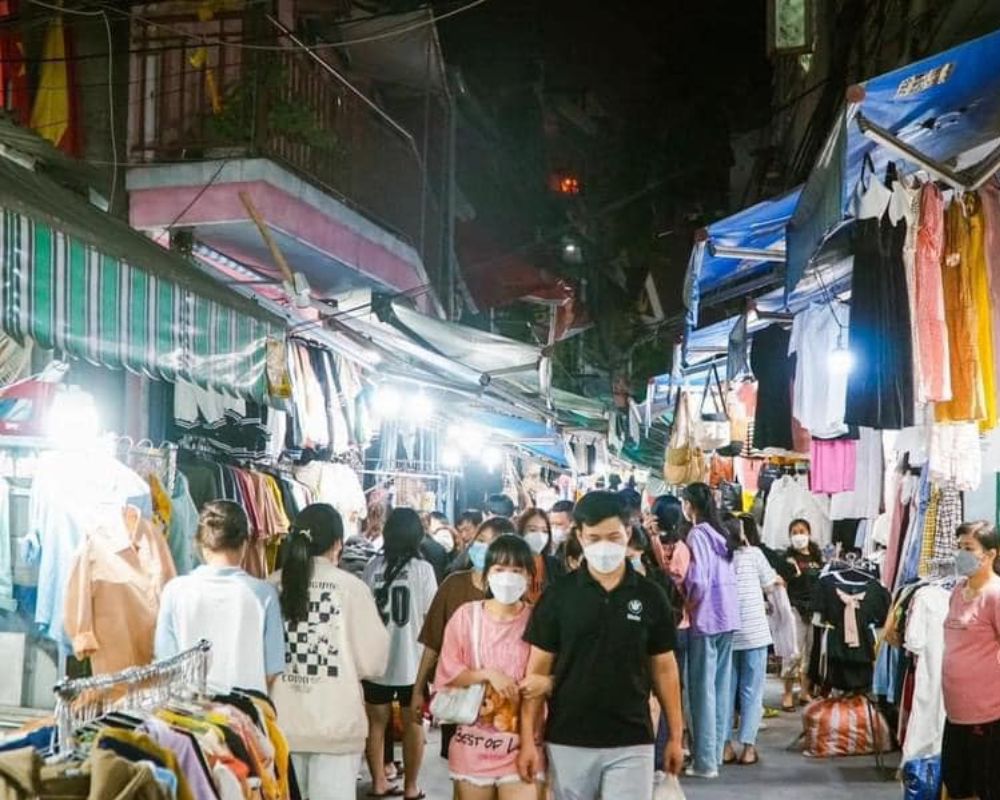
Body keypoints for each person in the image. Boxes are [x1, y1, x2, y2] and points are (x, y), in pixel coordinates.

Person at [518, 491, 684, 799]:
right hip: (568, 739)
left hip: (633, 739)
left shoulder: (651, 596)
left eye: (613, 536)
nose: (604, 546)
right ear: (579, 537)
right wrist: (528, 740)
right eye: (594, 538)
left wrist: (675, 734)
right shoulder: (558, 598)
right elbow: (536, 676)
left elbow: (664, 669)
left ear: (628, 534)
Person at [271, 504, 389, 800]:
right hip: (336, 724)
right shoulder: (351, 588)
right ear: (338, 543)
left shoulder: (270, 586)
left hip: (281, 723)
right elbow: (374, 662)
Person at [435, 535, 546, 798]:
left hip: (524, 745)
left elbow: (548, 676)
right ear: (486, 575)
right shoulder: (466, 616)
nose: (507, 577)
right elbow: (447, 676)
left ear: (529, 577)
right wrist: (487, 675)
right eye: (499, 569)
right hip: (472, 747)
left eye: (516, 570)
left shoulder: (538, 621)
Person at [410, 517, 514, 764]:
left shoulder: (514, 593)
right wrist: (418, 691)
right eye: (480, 541)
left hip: (501, 703)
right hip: (457, 698)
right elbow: (433, 645)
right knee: (461, 769)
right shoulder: (453, 585)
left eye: (493, 543)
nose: (484, 548)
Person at [155, 500, 284, 694]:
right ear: (245, 543)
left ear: (199, 542)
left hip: (189, 713)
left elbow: (166, 665)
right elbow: (271, 671)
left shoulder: (175, 591)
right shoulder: (264, 595)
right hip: (244, 714)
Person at [362, 508, 439, 800]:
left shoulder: (372, 566)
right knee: (413, 725)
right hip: (412, 663)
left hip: (377, 661)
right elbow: (431, 615)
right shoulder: (423, 570)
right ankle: (411, 787)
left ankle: (379, 782)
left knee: (376, 725)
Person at [682, 482, 740, 779]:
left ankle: (705, 762)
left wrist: (688, 603)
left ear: (689, 505)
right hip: (728, 616)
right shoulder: (723, 534)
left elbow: (699, 580)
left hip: (704, 619)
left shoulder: (697, 535)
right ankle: (714, 753)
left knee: (701, 693)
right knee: (720, 689)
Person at [941, 521, 1000, 800]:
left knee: (984, 787)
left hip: (986, 713)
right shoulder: (958, 591)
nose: (961, 554)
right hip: (955, 712)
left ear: (990, 554)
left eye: (969, 548)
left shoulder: (995, 595)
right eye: (959, 547)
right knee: (958, 784)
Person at [723, 515, 779, 767]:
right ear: (742, 534)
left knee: (725, 691)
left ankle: (724, 746)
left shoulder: (719, 557)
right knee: (752, 692)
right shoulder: (754, 554)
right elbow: (769, 585)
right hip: (755, 633)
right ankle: (748, 748)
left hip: (726, 633)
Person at [782, 518, 824, 711]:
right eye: (795, 532)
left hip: (814, 610)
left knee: (810, 652)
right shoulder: (788, 559)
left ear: (809, 533)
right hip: (795, 609)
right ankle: (788, 693)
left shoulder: (817, 558)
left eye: (802, 531)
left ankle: (805, 691)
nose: (799, 535)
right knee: (793, 653)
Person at [515, 509, 565, 603]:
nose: (539, 535)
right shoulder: (510, 563)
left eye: (544, 531)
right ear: (521, 532)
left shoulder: (555, 565)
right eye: (532, 530)